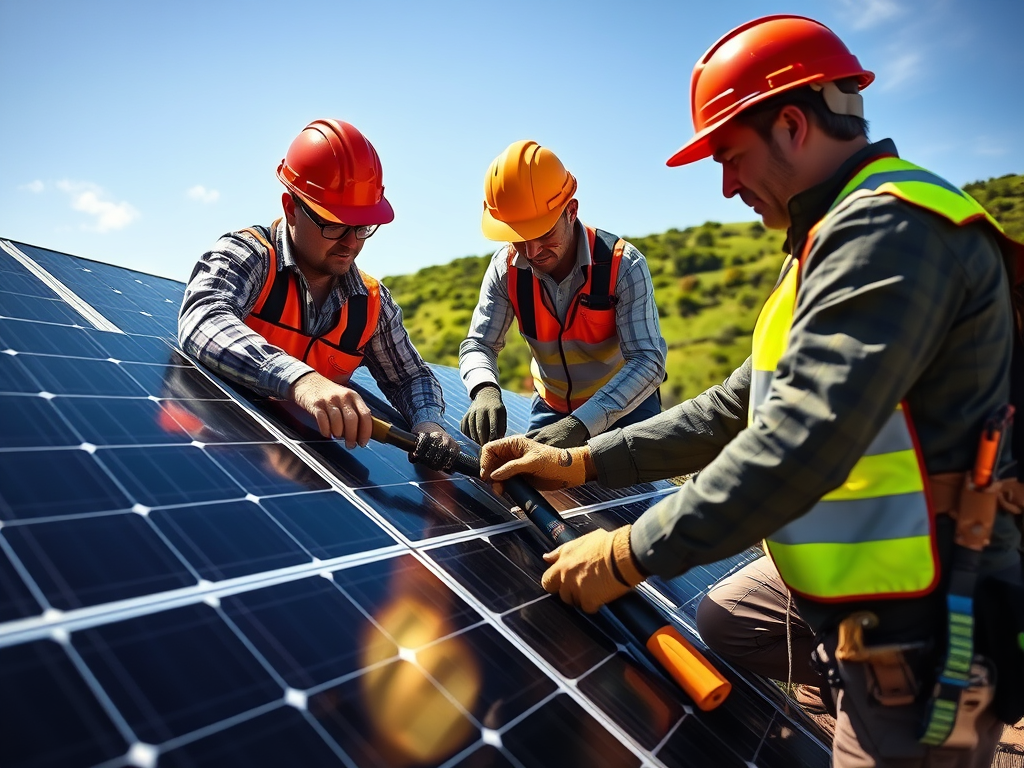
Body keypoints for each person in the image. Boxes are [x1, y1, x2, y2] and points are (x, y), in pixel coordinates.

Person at [479, 15, 1024, 768]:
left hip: (923, 610)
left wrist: (628, 552)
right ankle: (839, 701)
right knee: (729, 620)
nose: (727, 185)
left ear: (793, 126)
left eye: (730, 157)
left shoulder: (891, 231)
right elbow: (732, 407)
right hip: (847, 579)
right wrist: (582, 463)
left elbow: (799, 440)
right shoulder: (823, 239)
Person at [179, 119, 459, 472]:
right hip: (205, 458)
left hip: (296, 479)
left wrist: (427, 423)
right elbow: (202, 318)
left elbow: (410, 377)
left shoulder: (371, 303)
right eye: (335, 224)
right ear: (291, 207)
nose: (352, 242)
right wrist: (301, 380)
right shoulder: (248, 255)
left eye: (363, 227)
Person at [458, 140, 667, 449]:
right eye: (518, 238)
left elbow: (648, 360)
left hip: (627, 405)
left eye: (543, 233)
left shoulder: (623, 265)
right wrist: (484, 388)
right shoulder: (506, 269)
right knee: (537, 489)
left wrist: (582, 423)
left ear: (571, 210)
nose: (531, 251)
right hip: (551, 408)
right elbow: (478, 344)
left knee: (629, 491)